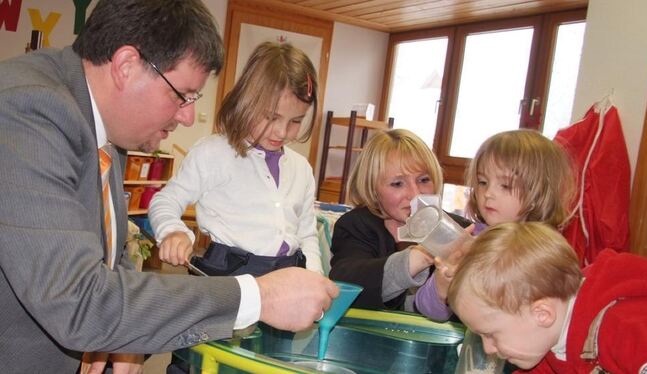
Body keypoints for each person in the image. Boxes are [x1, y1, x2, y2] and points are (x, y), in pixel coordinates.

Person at [0, 1, 337, 373]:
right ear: (127, 66)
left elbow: (110, 259)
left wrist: (124, 340)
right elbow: (79, 302)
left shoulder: (103, 130)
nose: (189, 115)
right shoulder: (26, 110)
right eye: (183, 95)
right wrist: (260, 296)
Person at [149, 41, 323, 276]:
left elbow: (307, 235)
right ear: (246, 102)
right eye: (272, 117)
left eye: (296, 121)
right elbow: (165, 201)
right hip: (228, 279)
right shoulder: (214, 153)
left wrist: (314, 276)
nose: (282, 132)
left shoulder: (301, 168)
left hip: (288, 276)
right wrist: (173, 231)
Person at [448, 222, 647, 372]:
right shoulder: (550, 338)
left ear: (542, 314)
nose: (488, 349)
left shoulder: (626, 327)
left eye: (491, 335)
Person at [415, 129, 576, 321]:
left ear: (539, 193)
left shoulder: (546, 252)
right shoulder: (472, 241)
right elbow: (427, 310)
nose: (488, 193)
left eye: (505, 185)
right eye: (483, 182)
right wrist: (443, 285)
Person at [328, 129, 471, 311]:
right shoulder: (355, 226)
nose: (415, 193)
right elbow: (346, 286)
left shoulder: (461, 230)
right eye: (397, 184)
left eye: (424, 180)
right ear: (373, 190)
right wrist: (421, 256)